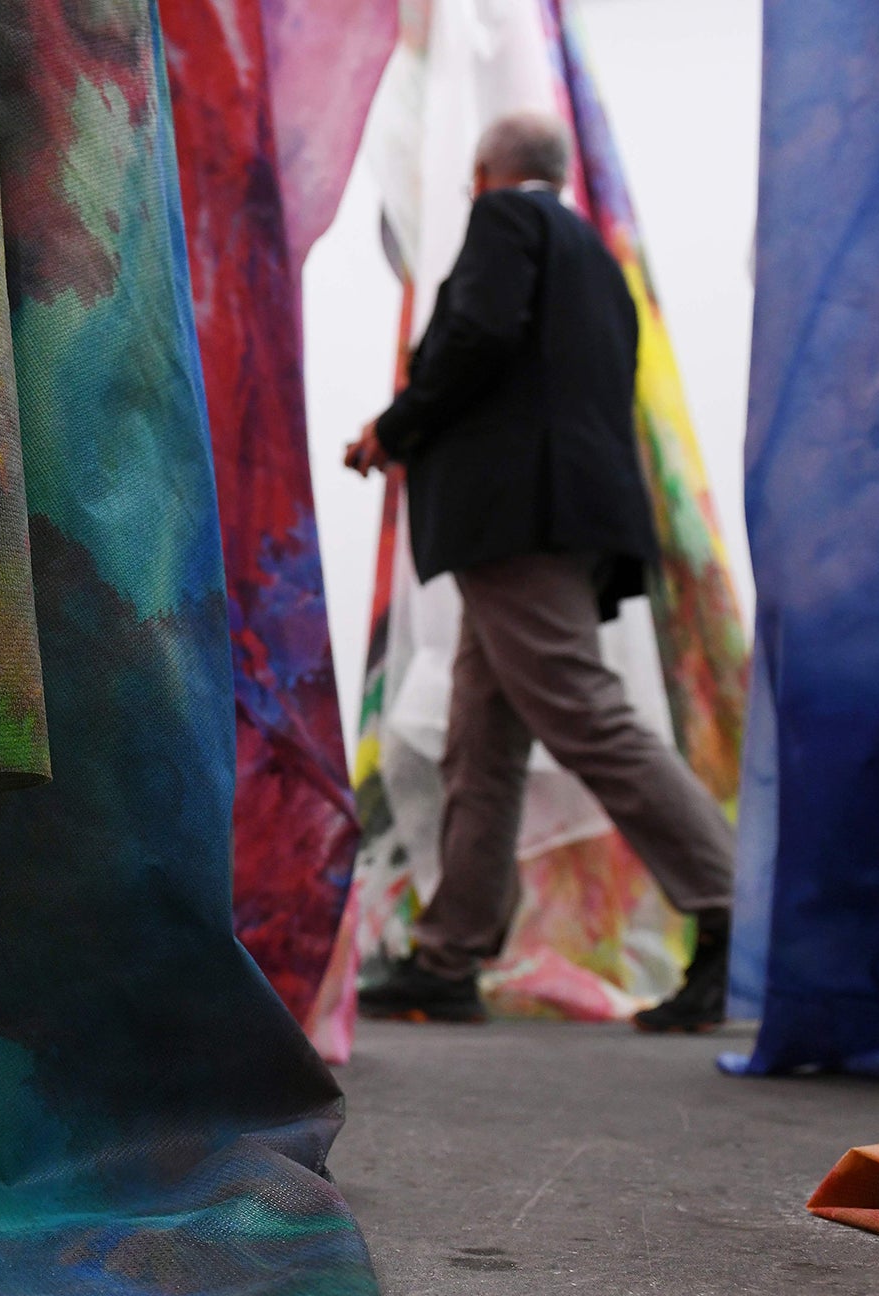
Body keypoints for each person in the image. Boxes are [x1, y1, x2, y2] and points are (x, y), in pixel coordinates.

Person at [343, 110, 734, 1034]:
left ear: (485, 172)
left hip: (519, 518)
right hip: (559, 516)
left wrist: (392, 430)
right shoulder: (596, 259)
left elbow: (476, 336)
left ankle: (732, 912)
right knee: (480, 738)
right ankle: (449, 955)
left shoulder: (504, 223)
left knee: (583, 711)